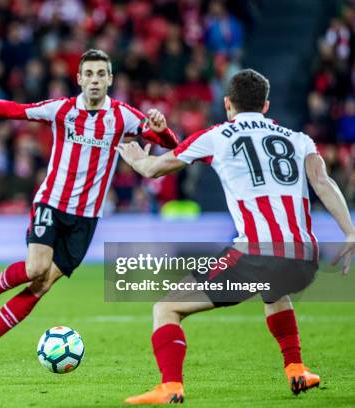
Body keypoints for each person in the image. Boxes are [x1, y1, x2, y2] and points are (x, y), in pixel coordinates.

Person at [117, 68, 354, 404]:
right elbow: (322, 182)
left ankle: (170, 386)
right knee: (275, 292)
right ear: (266, 106)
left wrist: (136, 156)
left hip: (257, 254)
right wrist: (350, 230)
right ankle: (297, 368)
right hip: (303, 256)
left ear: (228, 103)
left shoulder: (217, 135)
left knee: (167, 308)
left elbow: (154, 169)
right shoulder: (299, 139)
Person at [0, 49, 179, 366]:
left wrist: (162, 129)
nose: (94, 80)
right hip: (51, 202)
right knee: (36, 267)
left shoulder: (123, 116)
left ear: (110, 79)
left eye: (101, 74)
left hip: (87, 218)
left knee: (42, 284)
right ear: (79, 79)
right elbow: (18, 111)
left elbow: (171, 146)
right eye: (88, 74)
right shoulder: (62, 110)